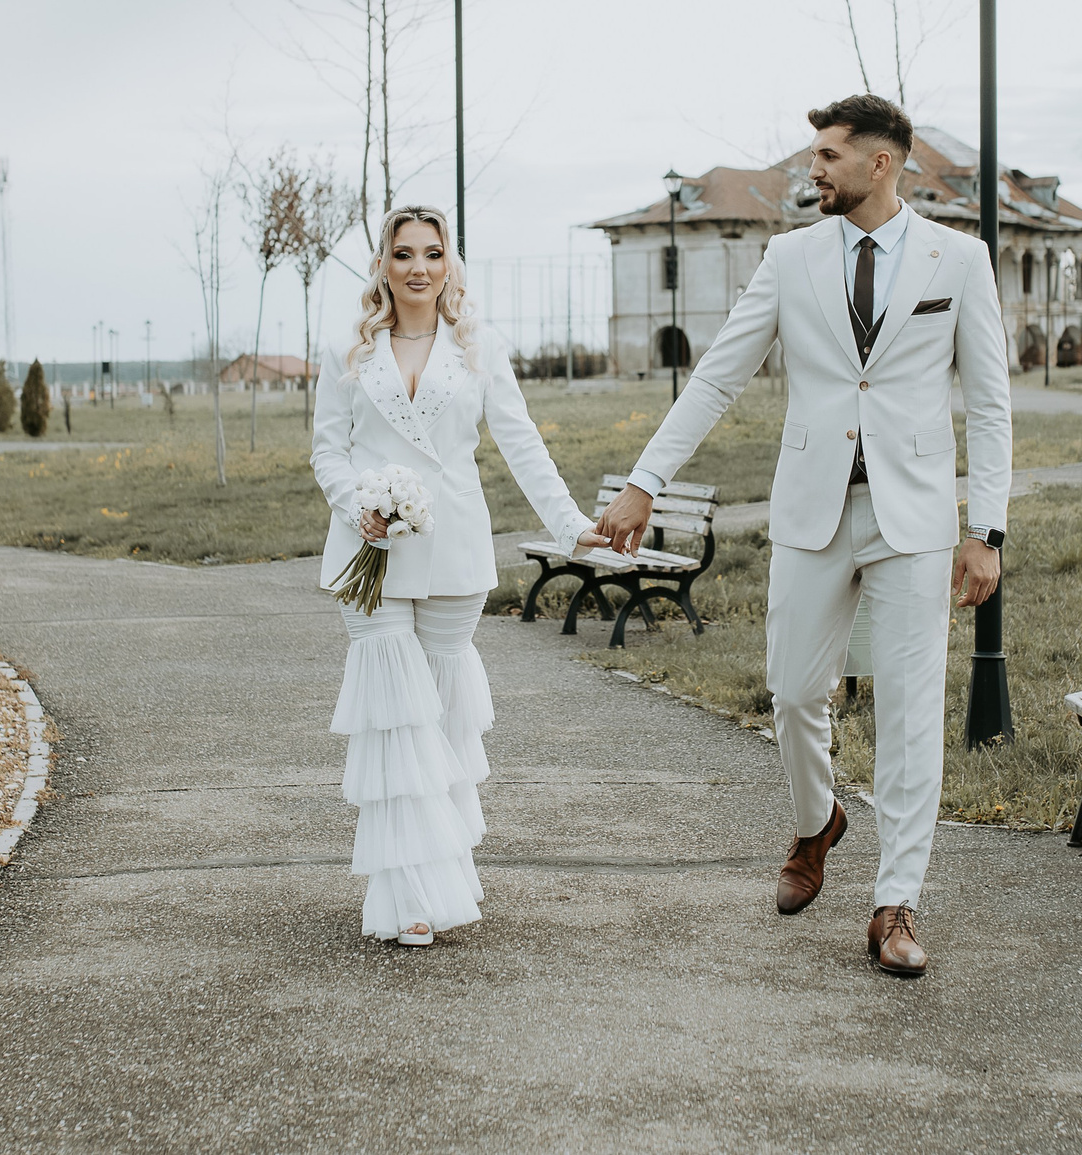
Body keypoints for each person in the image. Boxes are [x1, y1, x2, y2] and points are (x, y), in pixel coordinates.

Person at [591, 95, 1011, 978]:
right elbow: (716, 378)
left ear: (881, 163)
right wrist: (643, 483)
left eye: (827, 157)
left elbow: (992, 402)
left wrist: (988, 529)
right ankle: (819, 819)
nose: (810, 171)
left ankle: (895, 903)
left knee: (907, 711)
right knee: (791, 690)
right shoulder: (789, 258)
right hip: (814, 509)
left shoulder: (959, 260)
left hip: (917, 519)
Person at [312, 204, 597, 945]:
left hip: (454, 554)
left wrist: (571, 526)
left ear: (449, 264)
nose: (417, 267)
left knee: (435, 724)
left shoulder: (478, 347)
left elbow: (521, 443)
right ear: (382, 264)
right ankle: (405, 894)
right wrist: (358, 506)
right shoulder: (348, 350)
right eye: (402, 253)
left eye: (432, 253)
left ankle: (441, 877)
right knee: (393, 723)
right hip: (367, 553)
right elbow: (327, 451)